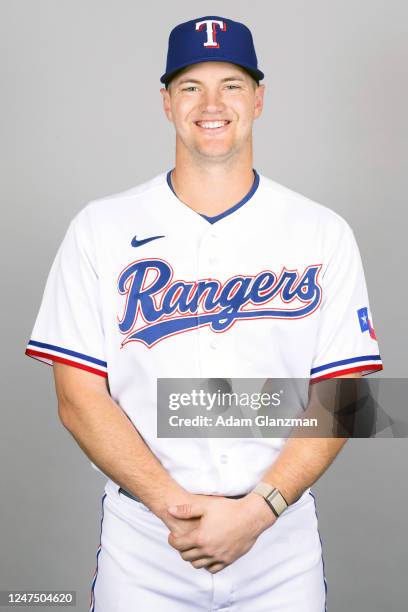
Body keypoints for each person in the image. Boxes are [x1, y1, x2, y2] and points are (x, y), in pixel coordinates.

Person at [25, 15, 383, 612]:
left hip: (278, 538)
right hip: (146, 540)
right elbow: (77, 398)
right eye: (191, 86)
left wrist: (259, 510)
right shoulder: (101, 229)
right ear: (166, 102)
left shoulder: (322, 231)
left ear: (259, 99)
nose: (211, 103)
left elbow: (344, 395)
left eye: (232, 85)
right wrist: (177, 510)